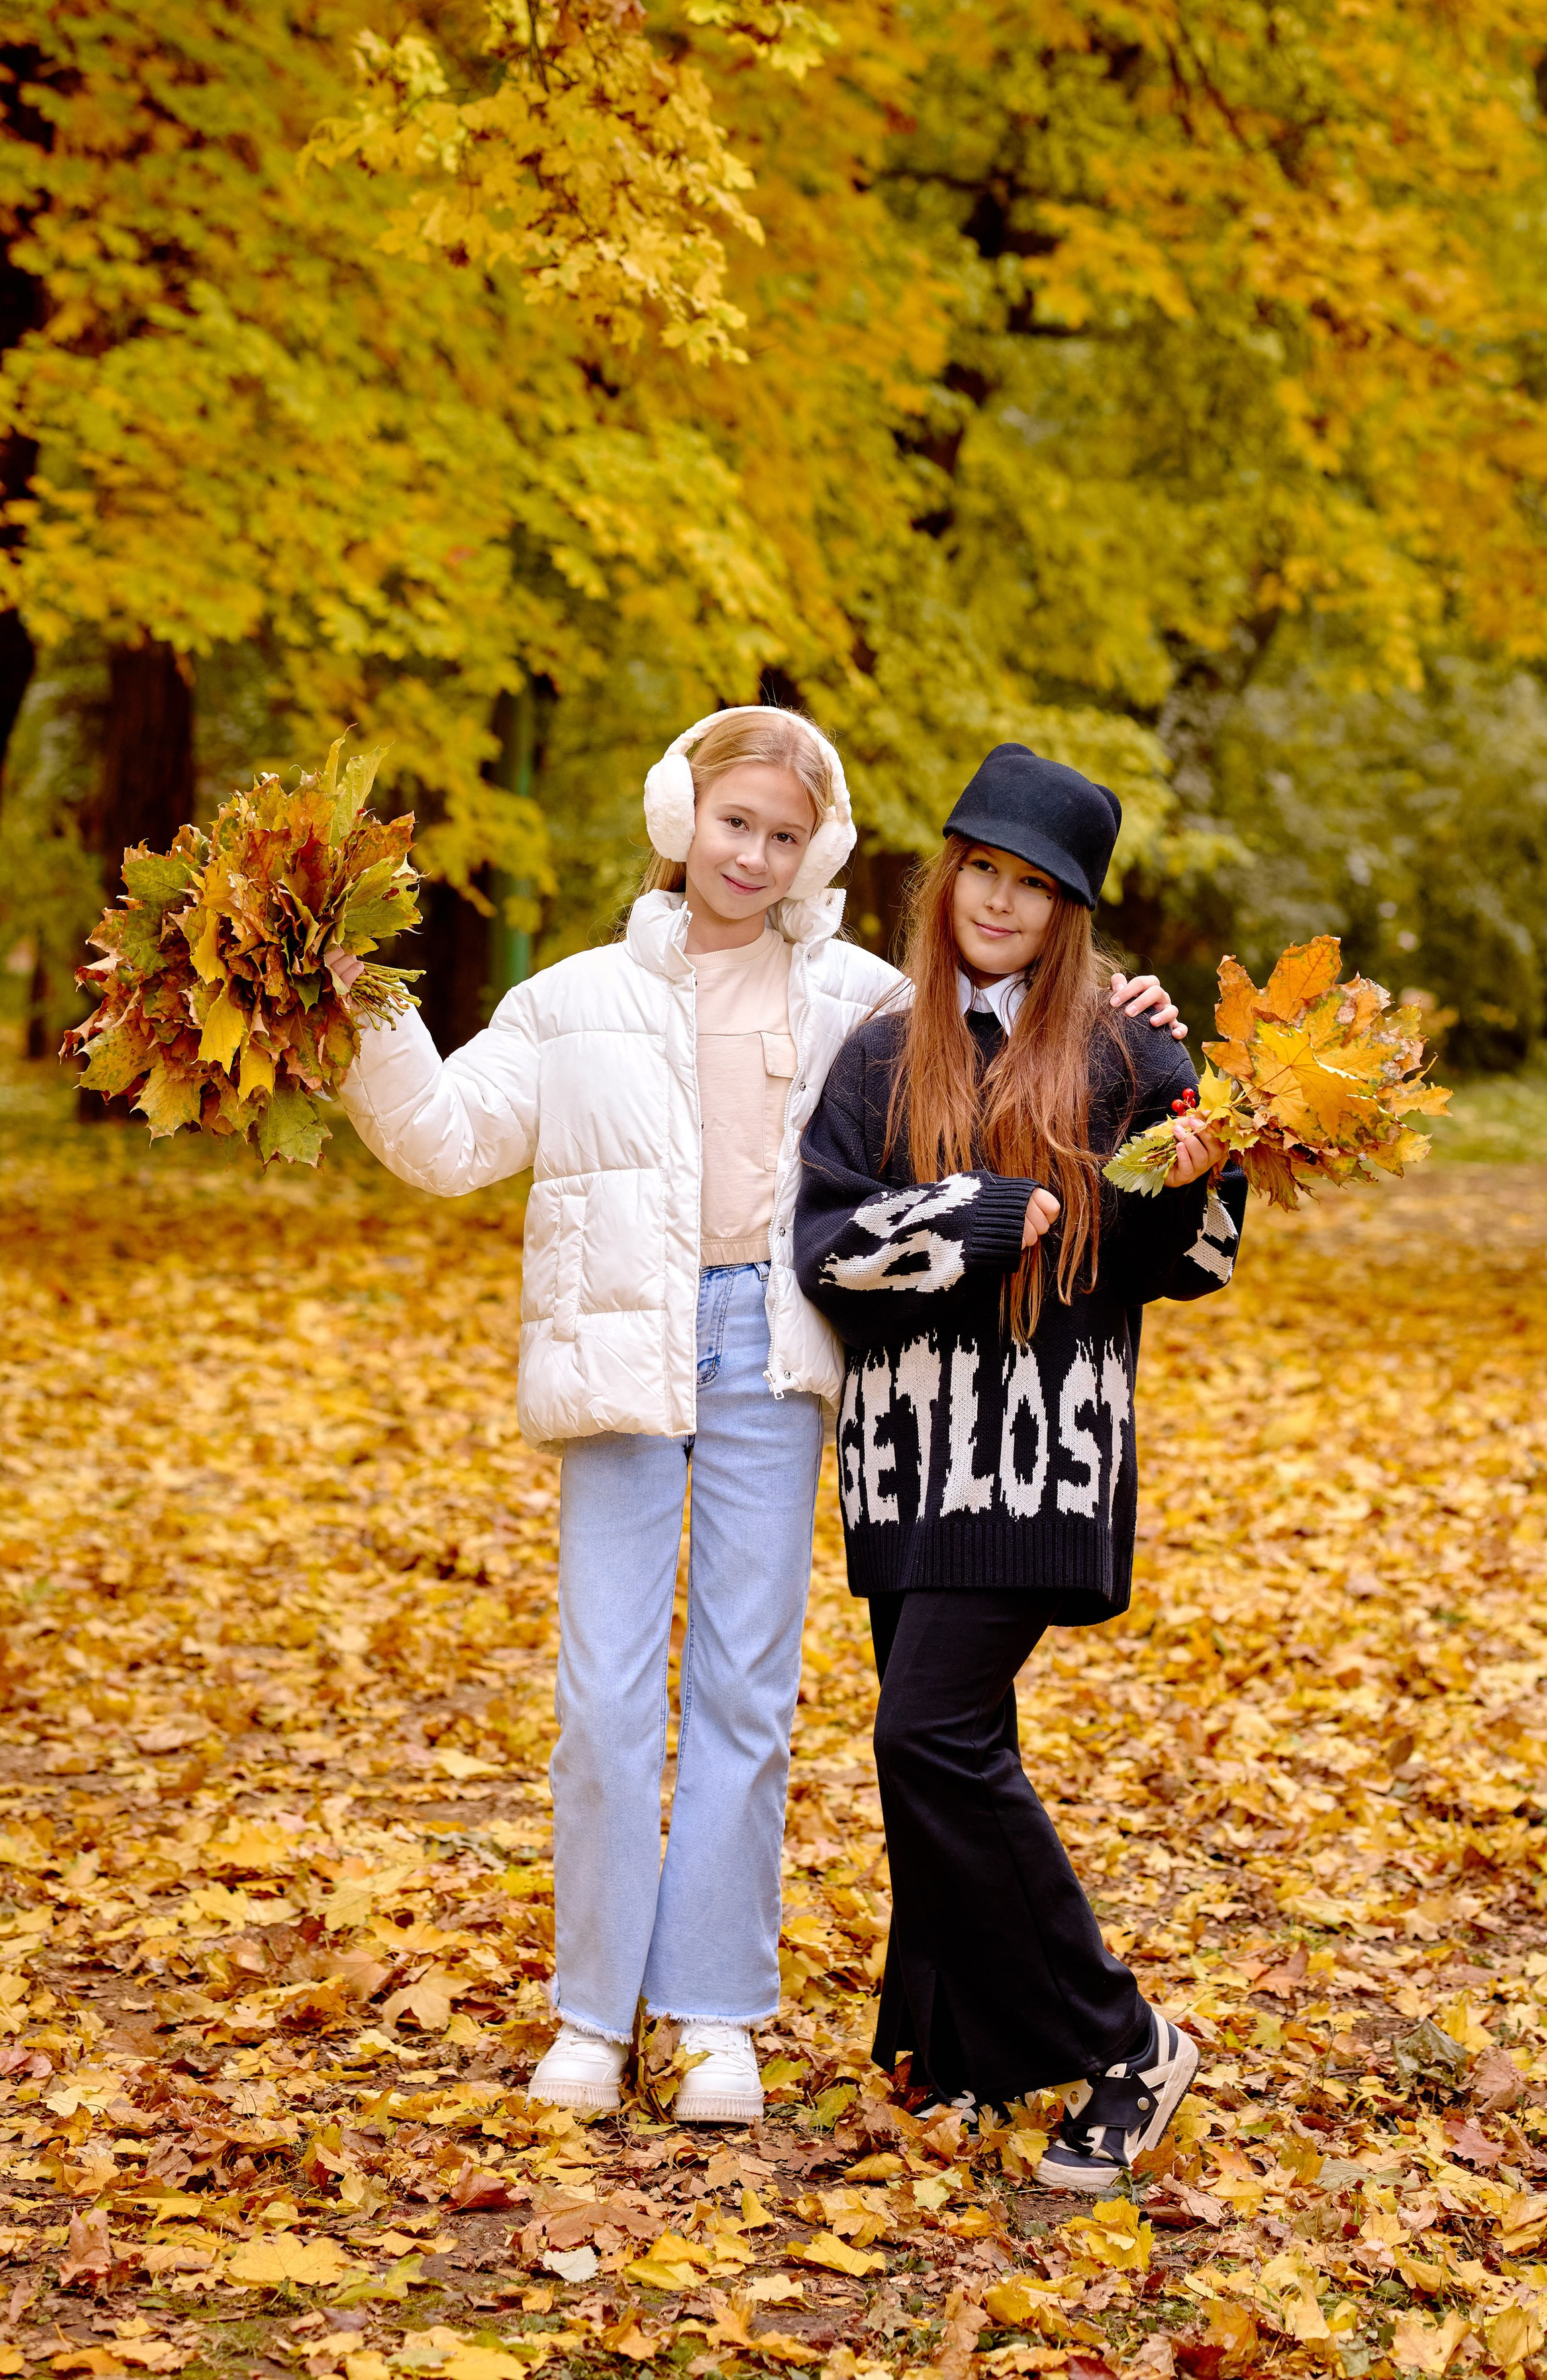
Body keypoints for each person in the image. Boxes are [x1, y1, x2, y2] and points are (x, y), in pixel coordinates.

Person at [328, 709, 1185, 2126]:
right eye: (735, 823)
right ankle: (592, 2015)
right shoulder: (569, 1000)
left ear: (818, 851)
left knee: (745, 1693)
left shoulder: (860, 996)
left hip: (775, 1354)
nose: (753, 855)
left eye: (786, 836)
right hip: (624, 1348)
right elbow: (443, 1141)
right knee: (604, 1698)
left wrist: (1124, 1013)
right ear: (680, 817)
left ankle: (715, 2011)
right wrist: (359, 1005)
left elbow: (1009, 1026)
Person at [793, 741, 1246, 2190]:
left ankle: (1123, 2041)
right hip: (901, 1469)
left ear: (1069, 913)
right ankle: (941, 2050)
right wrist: (973, 1220)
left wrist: (1205, 1168)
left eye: (1032, 886)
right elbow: (824, 1252)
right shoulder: (881, 1053)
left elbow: (1194, 1263)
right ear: (945, 882)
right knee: (941, 1751)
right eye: (980, 871)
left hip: (1039, 1461)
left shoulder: (1129, 1053)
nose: (997, 901)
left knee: (925, 1736)